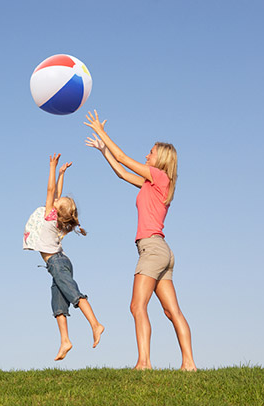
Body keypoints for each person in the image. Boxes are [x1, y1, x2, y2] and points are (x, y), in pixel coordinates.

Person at [84, 110, 196, 371]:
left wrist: (101, 131)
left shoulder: (159, 176)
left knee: (137, 306)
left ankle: (143, 363)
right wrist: (104, 151)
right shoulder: (153, 183)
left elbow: (124, 158)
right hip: (162, 252)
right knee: (172, 312)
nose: (147, 155)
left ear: (162, 158)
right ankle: (189, 364)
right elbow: (122, 172)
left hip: (152, 250)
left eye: (151, 152)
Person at [23, 153, 104, 361]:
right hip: (59, 263)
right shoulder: (57, 219)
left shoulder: (49, 218)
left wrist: (52, 166)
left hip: (58, 264)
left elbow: (51, 191)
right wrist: (61, 174)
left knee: (74, 294)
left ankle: (96, 324)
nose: (55, 199)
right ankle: (65, 341)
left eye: (58, 202)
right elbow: (57, 193)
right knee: (58, 305)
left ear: (56, 211)